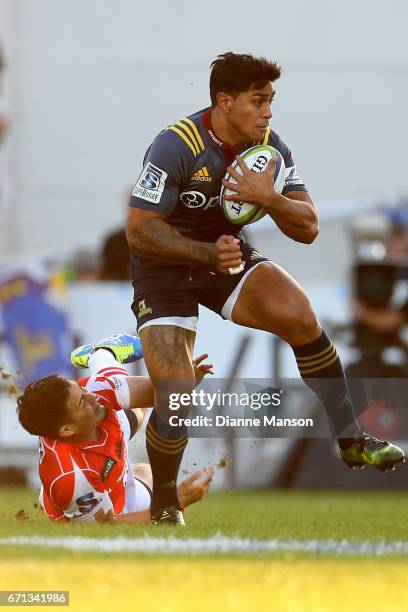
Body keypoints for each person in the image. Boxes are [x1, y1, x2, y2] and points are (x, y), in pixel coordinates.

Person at [126, 52, 404, 525]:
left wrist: (268, 198)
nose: (268, 112)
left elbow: (309, 226)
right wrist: (203, 253)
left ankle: (352, 438)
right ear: (224, 101)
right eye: (259, 102)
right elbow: (138, 230)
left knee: (300, 315)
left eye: (271, 101)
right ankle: (165, 502)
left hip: (225, 257)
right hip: (165, 267)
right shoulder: (175, 145)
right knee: (174, 391)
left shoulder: (270, 150)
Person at [17, 335, 214, 524]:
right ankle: (100, 354)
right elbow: (106, 528)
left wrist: (185, 381)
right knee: (148, 475)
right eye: (82, 400)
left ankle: (101, 352)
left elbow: (166, 392)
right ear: (67, 429)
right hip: (90, 497)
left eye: (82, 390)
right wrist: (177, 501)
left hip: (96, 437)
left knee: (135, 403)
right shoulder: (72, 479)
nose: (92, 397)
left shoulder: (94, 392)